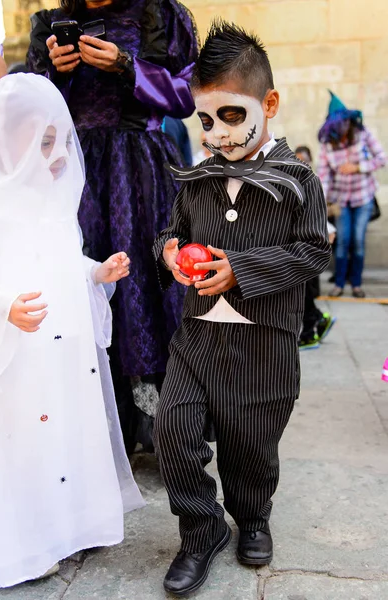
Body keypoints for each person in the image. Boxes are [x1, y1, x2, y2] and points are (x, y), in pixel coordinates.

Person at [152, 21, 331, 596]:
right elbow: (171, 233)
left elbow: (313, 250)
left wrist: (243, 268)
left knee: (250, 444)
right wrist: (171, 252)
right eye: (204, 120)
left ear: (267, 103)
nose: (217, 133)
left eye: (231, 115)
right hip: (197, 337)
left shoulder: (298, 179)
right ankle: (201, 529)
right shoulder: (197, 178)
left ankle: (252, 516)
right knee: (173, 428)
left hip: (264, 343)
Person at [0, 73, 144, 589]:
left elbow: (61, 258)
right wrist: (5, 304)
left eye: (60, 140)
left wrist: (95, 272)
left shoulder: (55, 200)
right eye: (44, 141)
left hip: (61, 345)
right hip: (19, 351)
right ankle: (30, 537)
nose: (56, 155)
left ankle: (69, 522)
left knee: (65, 431)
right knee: (25, 439)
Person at [26, 0, 199, 454]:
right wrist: (55, 76)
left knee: (150, 286)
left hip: (142, 173)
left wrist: (127, 66)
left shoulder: (162, 15)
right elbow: (28, 117)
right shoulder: (49, 24)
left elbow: (188, 97)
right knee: (82, 286)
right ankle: (100, 431)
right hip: (75, 175)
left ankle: (167, 429)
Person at [318, 91, 386, 298]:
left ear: (348, 123)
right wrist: (320, 203)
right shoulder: (328, 143)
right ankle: (339, 283)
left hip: (363, 198)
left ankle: (356, 284)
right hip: (341, 201)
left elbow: (382, 159)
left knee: (358, 241)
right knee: (343, 240)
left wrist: (358, 167)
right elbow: (323, 176)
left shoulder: (364, 135)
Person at [295, 145, 336, 350]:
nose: (301, 162)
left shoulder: (312, 182)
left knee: (304, 291)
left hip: (308, 247)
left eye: (304, 159)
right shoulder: (293, 180)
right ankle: (319, 319)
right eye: (297, 158)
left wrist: (328, 231)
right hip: (296, 245)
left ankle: (311, 329)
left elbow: (317, 213)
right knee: (303, 291)